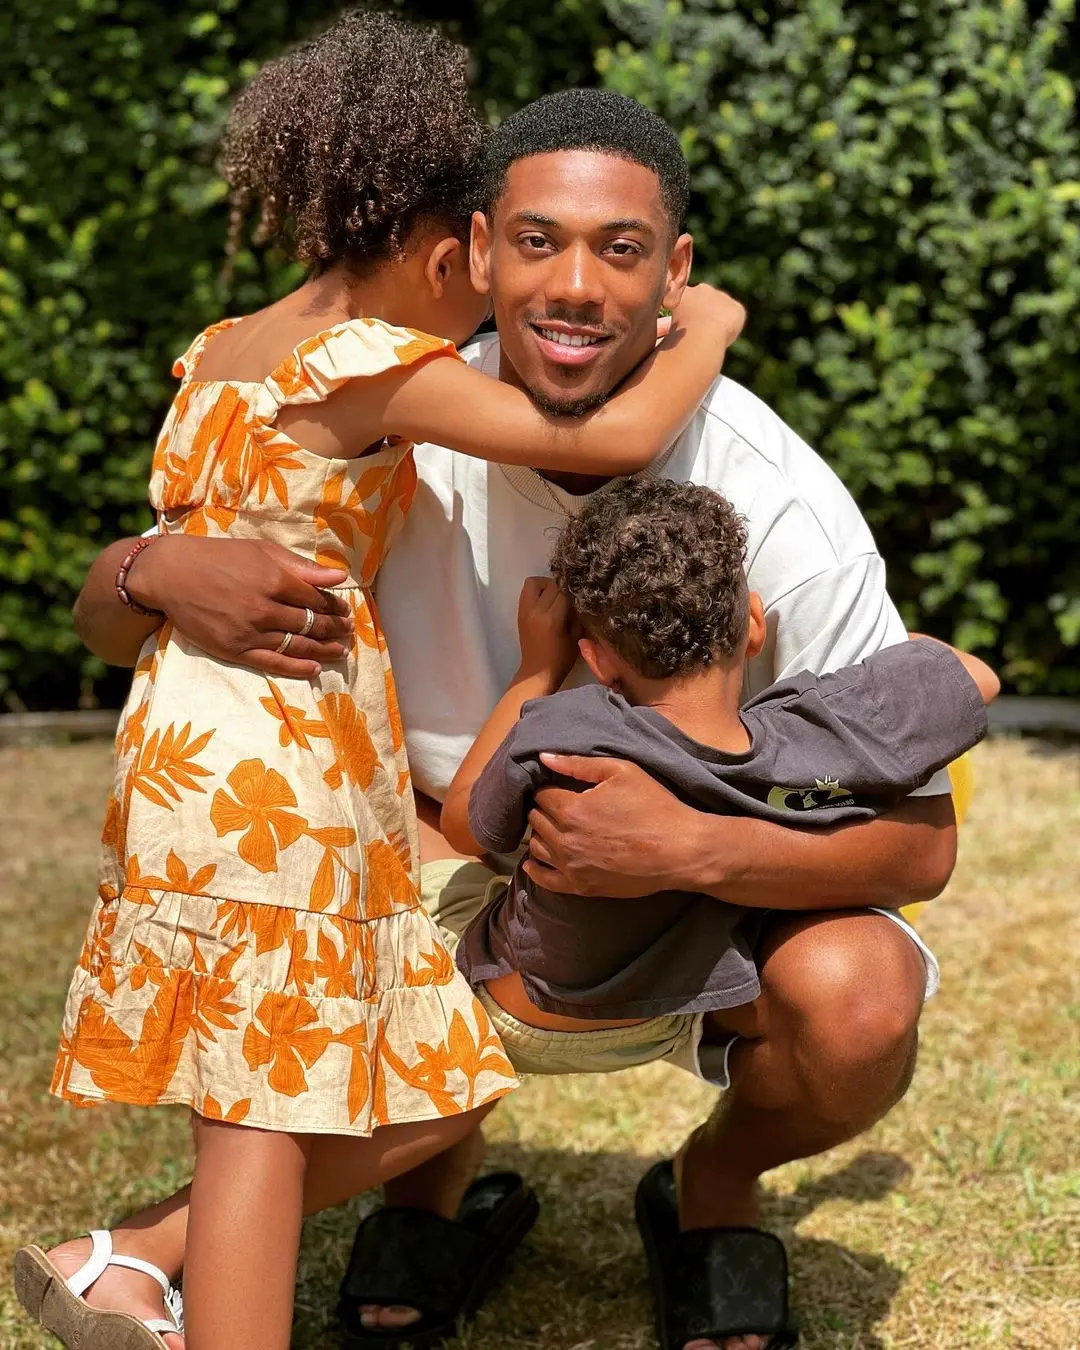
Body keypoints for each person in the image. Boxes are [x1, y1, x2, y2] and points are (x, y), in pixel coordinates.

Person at [68, 87, 963, 1350]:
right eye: (539, 241)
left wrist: (695, 848)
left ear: (676, 272)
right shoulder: (401, 420)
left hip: (708, 911)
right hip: (440, 870)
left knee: (861, 992)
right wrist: (147, 571)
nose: (579, 286)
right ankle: (428, 1191)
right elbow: (114, 614)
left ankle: (711, 1191)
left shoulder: (779, 505)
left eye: (623, 249)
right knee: (322, 917)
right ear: (476, 251)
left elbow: (923, 847)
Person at [13, 16, 745, 1350]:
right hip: (274, 777)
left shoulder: (219, 347)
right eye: (492, 258)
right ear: (439, 243)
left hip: (193, 754)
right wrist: (715, 322)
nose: (499, 295)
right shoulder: (368, 367)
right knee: (260, 1121)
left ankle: (126, 1263)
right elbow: (620, 428)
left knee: (422, 1084)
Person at [442, 477, 995, 1056]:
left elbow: (464, 822)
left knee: (421, 876)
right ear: (754, 626)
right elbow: (978, 677)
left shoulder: (567, 729)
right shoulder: (818, 738)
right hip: (671, 1013)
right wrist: (880, 678)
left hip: (529, 1013)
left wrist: (536, 671)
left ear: (597, 660)